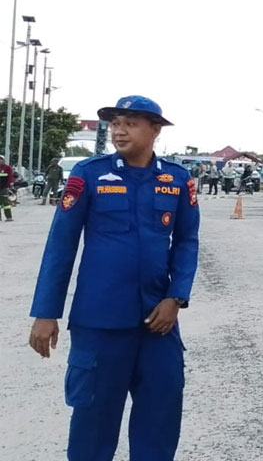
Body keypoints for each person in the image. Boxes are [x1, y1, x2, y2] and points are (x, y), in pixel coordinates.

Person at [28, 95, 200, 460]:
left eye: (130, 123)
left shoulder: (176, 179)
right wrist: (46, 312)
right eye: (115, 123)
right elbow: (61, 245)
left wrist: (176, 297)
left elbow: (187, 241)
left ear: (155, 130)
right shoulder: (89, 174)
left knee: (160, 419)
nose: (119, 131)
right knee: (93, 423)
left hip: (158, 323)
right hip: (99, 322)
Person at [0, 154, 16, 220]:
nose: (0, 161)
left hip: (4, 188)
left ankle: (9, 217)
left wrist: (8, 185)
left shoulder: (7, 168)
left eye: (1, 159)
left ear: (3, 160)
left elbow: (10, 177)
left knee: (6, 203)